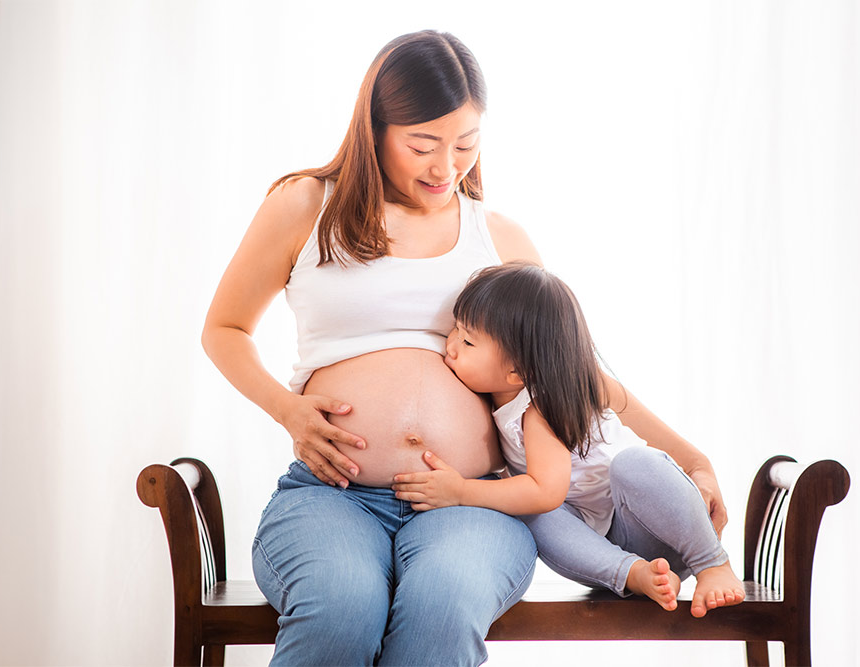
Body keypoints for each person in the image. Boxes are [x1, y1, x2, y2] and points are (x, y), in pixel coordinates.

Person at [202, 29, 730, 665]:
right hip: (331, 494)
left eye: (465, 145)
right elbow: (224, 329)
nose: (446, 167)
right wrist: (287, 412)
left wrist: (692, 457)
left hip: (477, 496)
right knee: (339, 609)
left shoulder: (498, 235)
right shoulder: (306, 206)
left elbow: (580, 375)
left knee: (442, 611)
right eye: (422, 145)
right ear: (374, 129)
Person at [392, 262, 746, 618]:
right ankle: (632, 574)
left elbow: (548, 490)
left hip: (657, 526)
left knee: (630, 465)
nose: (451, 345)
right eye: (455, 329)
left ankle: (711, 562)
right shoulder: (501, 392)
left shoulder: (540, 406)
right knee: (533, 512)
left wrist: (460, 491)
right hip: (603, 548)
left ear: (517, 371)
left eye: (467, 341)